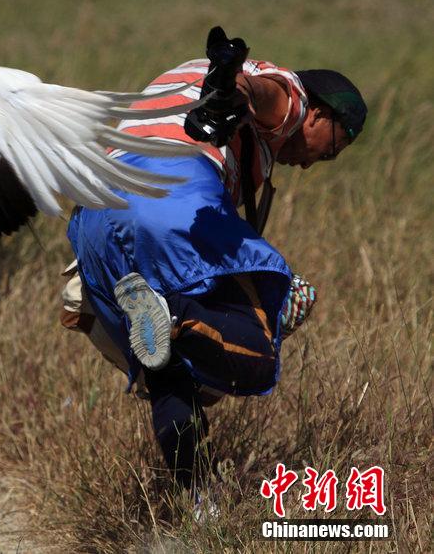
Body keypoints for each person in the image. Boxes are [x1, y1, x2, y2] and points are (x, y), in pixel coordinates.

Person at [60, 28, 368, 496]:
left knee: (168, 367)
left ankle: (197, 501)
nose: (312, 163)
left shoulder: (180, 76)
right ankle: (175, 315)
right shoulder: (288, 96)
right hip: (168, 194)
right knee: (262, 348)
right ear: (318, 115)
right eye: (331, 147)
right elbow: (266, 95)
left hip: (93, 218)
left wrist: (224, 89)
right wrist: (231, 89)